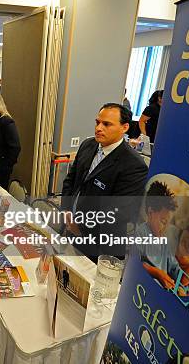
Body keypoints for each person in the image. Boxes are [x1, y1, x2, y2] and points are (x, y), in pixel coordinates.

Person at [61, 103, 148, 260]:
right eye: (97, 122)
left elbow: (120, 211)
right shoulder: (88, 145)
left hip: (100, 244)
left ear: (125, 127)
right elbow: (70, 181)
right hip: (70, 231)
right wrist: (66, 210)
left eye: (106, 124)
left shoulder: (134, 165)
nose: (99, 128)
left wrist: (80, 226)